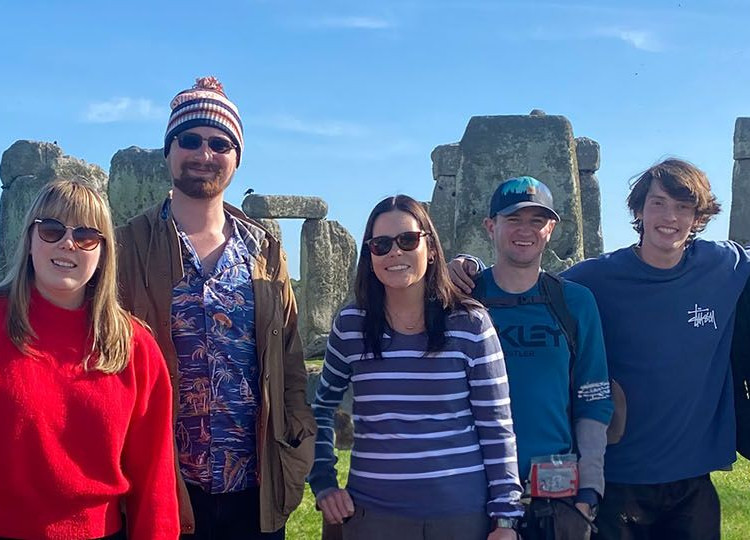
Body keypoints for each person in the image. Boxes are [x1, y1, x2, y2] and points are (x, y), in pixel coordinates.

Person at [451, 160, 750, 539]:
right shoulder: (592, 281)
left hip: (692, 480)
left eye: (683, 206)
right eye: (658, 203)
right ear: (639, 210)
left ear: (698, 216)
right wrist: (468, 269)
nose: (669, 217)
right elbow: (527, 281)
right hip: (619, 479)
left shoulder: (725, 265)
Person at [116, 76, 316, 539]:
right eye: (190, 140)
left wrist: (298, 441)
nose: (204, 154)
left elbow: (288, 359)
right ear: (168, 151)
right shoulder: (127, 245)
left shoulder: (265, 251)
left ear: (236, 158)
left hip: (257, 483)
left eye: (220, 143)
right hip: (163, 485)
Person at [308, 194, 524, 540]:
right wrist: (323, 482)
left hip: (461, 517)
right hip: (372, 516)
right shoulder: (352, 325)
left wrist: (506, 519)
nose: (395, 252)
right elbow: (320, 408)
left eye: (408, 240)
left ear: (432, 248)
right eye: (381, 244)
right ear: (370, 255)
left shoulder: (470, 323)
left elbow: (496, 425)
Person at [0, 179, 178, 540]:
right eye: (51, 229)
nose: (68, 242)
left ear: (103, 253)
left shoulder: (135, 346)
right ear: (29, 240)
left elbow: (155, 478)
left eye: (86, 236)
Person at [449, 176, 613, 539]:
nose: (525, 231)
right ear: (490, 226)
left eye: (536, 221)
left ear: (550, 229)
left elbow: (594, 398)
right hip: (471, 490)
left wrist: (588, 493)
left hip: (555, 494)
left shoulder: (575, 302)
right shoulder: (459, 299)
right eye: (513, 219)